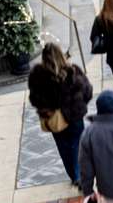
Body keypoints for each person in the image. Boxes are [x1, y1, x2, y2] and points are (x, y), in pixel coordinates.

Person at [27, 42, 93, 187]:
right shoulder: (72, 71)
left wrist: (47, 109)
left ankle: (74, 175)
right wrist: (79, 105)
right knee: (77, 145)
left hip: (54, 120)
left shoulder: (37, 76)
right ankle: (79, 175)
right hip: (74, 117)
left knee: (63, 147)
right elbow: (87, 91)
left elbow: (34, 99)